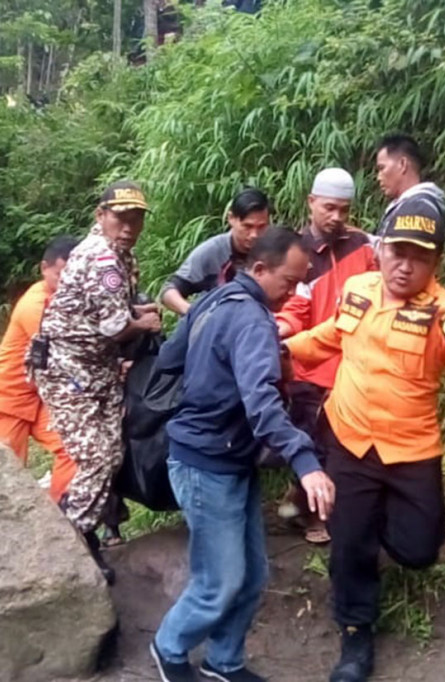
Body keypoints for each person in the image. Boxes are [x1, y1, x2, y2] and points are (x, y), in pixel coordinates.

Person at [285, 195, 445, 682]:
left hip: (410, 449)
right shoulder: (359, 289)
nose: (405, 265)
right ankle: (355, 633)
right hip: (348, 436)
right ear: (381, 248)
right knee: (348, 545)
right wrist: (282, 350)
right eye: (398, 251)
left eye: (421, 256)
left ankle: (375, 523)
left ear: (437, 260)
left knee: (419, 550)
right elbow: (331, 336)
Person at [151, 227, 334, 682]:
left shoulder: (215, 299)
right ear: (259, 269)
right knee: (220, 581)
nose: (291, 293)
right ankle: (168, 647)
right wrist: (306, 463)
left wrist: (213, 375)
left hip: (230, 458)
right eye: (288, 283)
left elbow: (170, 358)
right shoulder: (251, 318)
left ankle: (223, 661)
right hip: (205, 463)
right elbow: (262, 403)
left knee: (251, 575)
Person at [34, 180, 162, 582]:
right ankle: (73, 539)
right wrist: (146, 320)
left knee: (113, 451)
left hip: (98, 367)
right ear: (101, 215)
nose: (129, 225)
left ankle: (83, 529)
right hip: (68, 369)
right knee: (96, 457)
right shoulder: (101, 259)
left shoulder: (122, 256)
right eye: (121, 217)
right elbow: (113, 326)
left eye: (136, 218)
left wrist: (137, 315)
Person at [273, 168, 376, 543]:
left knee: (340, 444)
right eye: (330, 208)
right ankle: (312, 514)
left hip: (352, 367)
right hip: (307, 366)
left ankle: (300, 505)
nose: (337, 217)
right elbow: (294, 307)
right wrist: (279, 329)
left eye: (344, 210)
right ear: (311, 202)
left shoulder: (364, 245)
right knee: (312, 443)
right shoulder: (296, 253)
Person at [0, 235, 80, 503]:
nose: (67, 282)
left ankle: (63, 518)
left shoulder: (69, 299)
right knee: (4, 479)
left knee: (74, 447)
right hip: (3, 401)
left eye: (75, 275)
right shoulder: (35, 305)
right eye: (60, 275)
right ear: (45, 268)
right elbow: (65, 352)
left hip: (37, 397)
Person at [160, 188, 270, 315]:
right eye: (247, 226)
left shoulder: (274, 251)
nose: (254, 235)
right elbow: (168, 290)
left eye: (261, 227)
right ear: (231, 218)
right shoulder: (212, 251)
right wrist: (194, 313)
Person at [374, 133, 445, 238]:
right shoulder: (411, 205)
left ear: (402, 164)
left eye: (382, 168)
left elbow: (401, 253)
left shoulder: (418, 209)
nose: (378, 177)